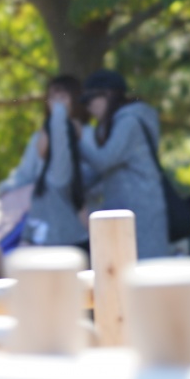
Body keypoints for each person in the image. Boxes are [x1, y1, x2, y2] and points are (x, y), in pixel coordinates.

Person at [78, 69, 170, 258]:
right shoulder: (113, 123)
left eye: (91, 100)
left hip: (143, 212)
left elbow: (104, 160)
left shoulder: (129, 122)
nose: (88, 108)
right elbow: (102, 172)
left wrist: (77, 139)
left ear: (109, 94)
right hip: (126, 211)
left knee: (146, 271)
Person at [0, 74, 89, 249]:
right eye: (52, 97)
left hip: (79, 215)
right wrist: (8, 188)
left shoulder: (87, 133)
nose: (57, 103)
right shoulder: (40, 136)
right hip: (45, 214)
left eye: (62, 97)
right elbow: (26, 171)